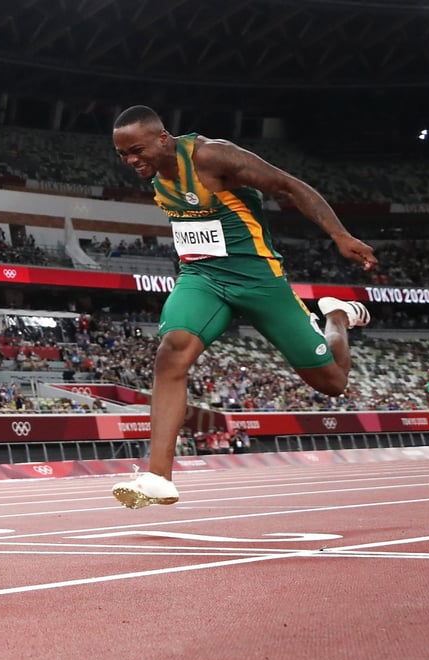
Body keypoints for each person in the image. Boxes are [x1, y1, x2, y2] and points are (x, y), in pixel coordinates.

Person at [109, 105, 376, 509]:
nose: (131, 161)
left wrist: (339, 235)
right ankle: (157, 477)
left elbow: (288, 186)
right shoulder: (157, 176)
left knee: (332, 383)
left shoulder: (211, 157)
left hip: (257, 280)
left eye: (137, 150)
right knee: (171, 352)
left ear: (163, 137)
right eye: (123, 154)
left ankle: (337, 314)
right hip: (202, 278)